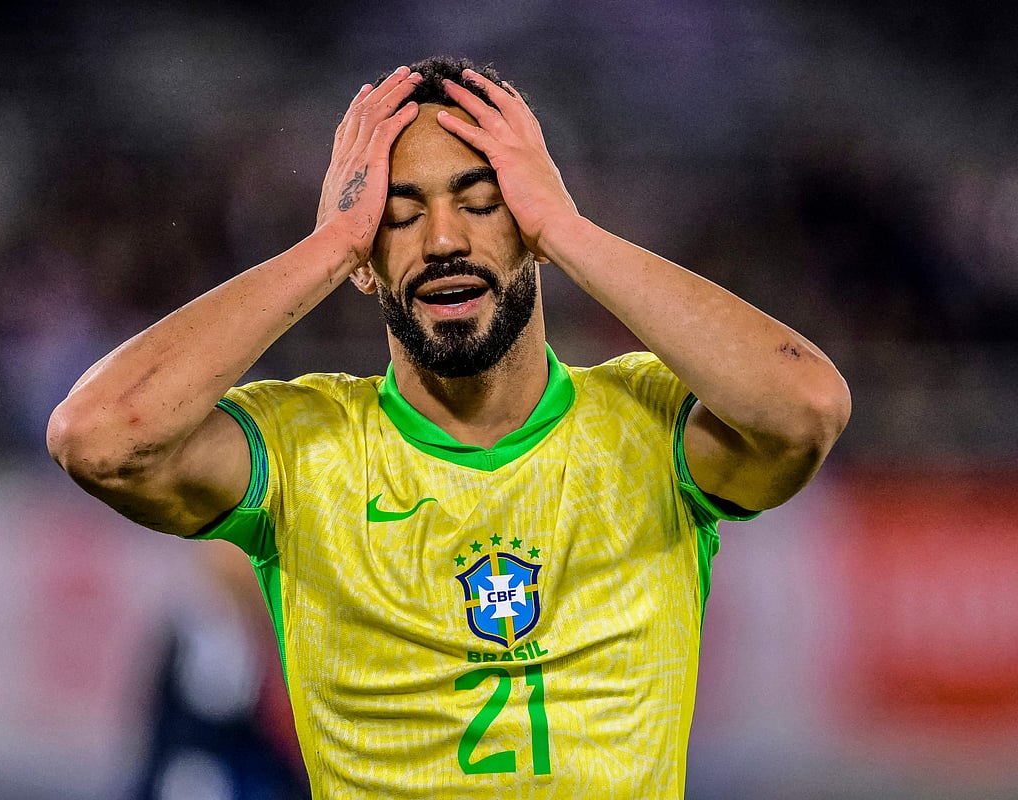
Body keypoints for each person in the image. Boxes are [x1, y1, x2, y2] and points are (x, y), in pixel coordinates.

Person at [47, 56, 851, 799]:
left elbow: (807, 407)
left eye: (481, 203)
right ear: (366, 260)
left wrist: (568, 232)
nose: (443, 241)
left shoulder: (647, 424)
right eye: (400, 216)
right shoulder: (303, 450)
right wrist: (327, 248)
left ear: (530, 222)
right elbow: (98, 435)